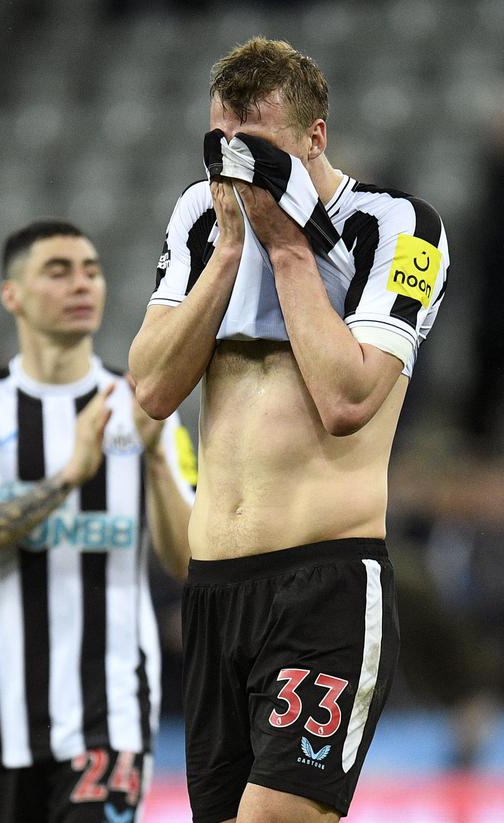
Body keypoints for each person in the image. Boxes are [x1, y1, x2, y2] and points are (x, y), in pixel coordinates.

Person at [129, 37, 450, 823]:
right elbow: (151, 384)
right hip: (213, 591)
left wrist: (284, 244)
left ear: (316, 136)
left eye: (262, 152)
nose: (239, 172)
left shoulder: (397, 227)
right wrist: (231, 248)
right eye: (223, 149)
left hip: (324, 584)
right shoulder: (199, 219)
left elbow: (349, 399)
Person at [0, 219, 195, 822]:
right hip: (0, 722)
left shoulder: (144, 406)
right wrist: (68, 477)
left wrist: (154, 456)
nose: (83, 284)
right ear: (12, 294)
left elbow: (186, 562)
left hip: (111, 713)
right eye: (59, 270)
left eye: (92, 271)